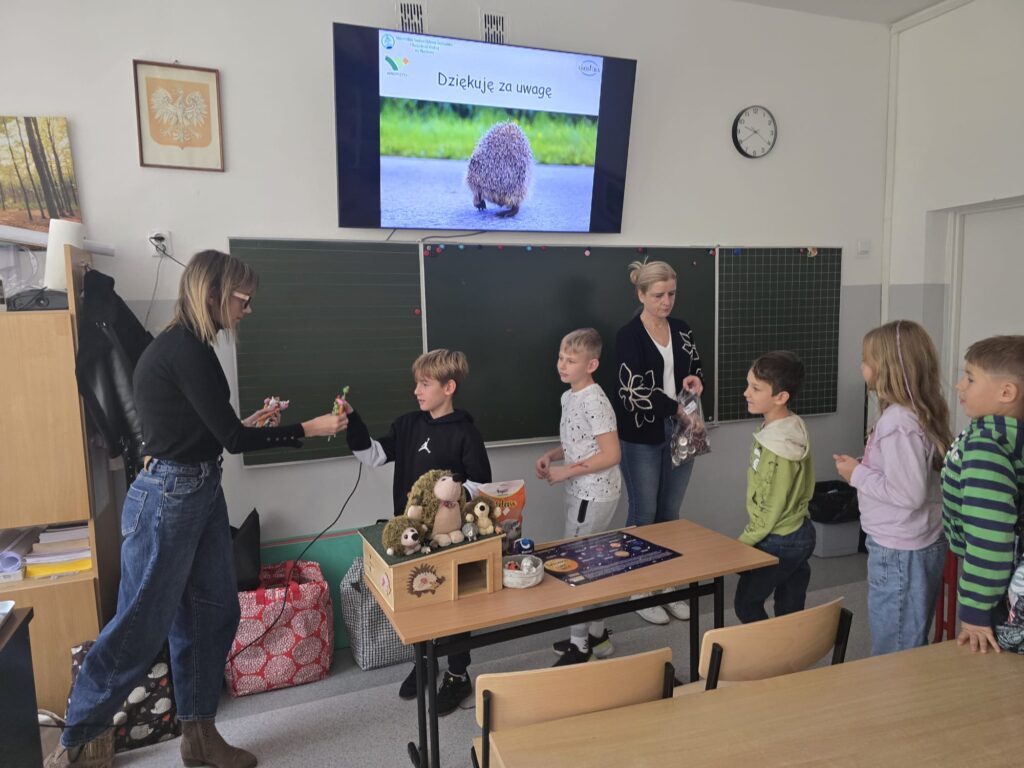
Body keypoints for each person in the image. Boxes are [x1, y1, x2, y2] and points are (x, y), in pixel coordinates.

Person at [47, 250, 347, 768]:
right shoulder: (183, 349)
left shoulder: (190, 348)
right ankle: (77, 742)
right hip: (171, 497)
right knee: (139, 625)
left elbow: (202, 431)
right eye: (243, 299)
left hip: (198, 490)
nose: (247, 309)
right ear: (212, 294)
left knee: (213, 613)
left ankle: (199, 736)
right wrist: (309, 428)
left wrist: (250, 422)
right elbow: (232, 440)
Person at [344, 348, 491, 714]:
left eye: (425, 384)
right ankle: (425, 662)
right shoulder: (408, 425)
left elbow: (482, 486)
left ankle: (457, 674)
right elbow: (374, 454)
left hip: (449, 539)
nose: (416, 391)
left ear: (448, 387)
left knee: (453, 607)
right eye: (417, 384)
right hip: (411, 536)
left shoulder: (465, 432)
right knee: (418, 601)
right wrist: (352, 421)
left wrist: (451, 495)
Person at [833, 320, 951, 655]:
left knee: (895, 648)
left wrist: (857, 475)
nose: (861, 367)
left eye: (866, 360)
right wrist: (867, 466)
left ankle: (898, 689)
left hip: (899, 549)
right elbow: (906, 475)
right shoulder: (915, 413)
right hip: (912, 542)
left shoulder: (898, 422)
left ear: (887, 369)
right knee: (906, 636)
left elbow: (908, 494)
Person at [613, 259, 704, 624]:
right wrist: (678, 410)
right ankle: (640, 589)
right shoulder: (628, 336)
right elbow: (632, 392)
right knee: (644, 513)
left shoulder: (681, 329)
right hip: (641, 435)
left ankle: (667, 586)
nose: (667, 302)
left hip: (681, 430)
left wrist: (695, 384)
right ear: (641, 295)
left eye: (672, 294)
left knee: (670, 513)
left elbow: (693, 369)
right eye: (658, 295)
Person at [535, 328, 622, 665]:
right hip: (581, 490)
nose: (562, 365)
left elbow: (611, 454)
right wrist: (552, 455)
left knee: (575, 566)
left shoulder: (595, 401)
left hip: (593, 493)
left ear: (591, 364)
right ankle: (597, 636)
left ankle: (580, 645)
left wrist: (566, 472)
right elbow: (578, 440)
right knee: (591, 563)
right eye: (561, 358)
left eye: (571, 360)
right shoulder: (569, 396)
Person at [941, 335, 1024, 653]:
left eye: (970, 378)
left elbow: (989, 535)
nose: (959, 386)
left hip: (995, 581)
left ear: (1006, 392)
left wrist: (975, 611)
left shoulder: (986, 445)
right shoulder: (997, 433)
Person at [734, 351, 816, 623]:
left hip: (779, 538)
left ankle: (772, 648)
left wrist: (743, 544)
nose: (746, 393)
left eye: (756, 388)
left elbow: (772, 505)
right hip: (799, 529)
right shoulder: (792, 425)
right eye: (748, 385)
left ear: (781, 397)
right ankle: (791, 648)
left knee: (746, 603)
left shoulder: (778, 448)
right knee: (790, 607)